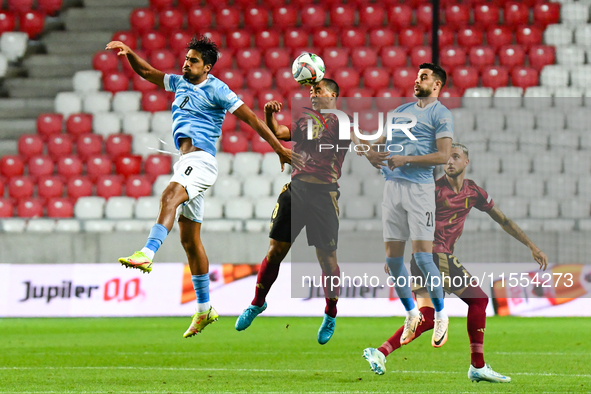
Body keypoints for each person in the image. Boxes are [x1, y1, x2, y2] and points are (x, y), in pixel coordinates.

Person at [107, 36, 297, 338]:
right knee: (189, 240)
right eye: (186, 58)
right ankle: (204, 308)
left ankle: (147, 252)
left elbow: (251, 119)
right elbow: (147, 73)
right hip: (185, 161)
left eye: (193, 60)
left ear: (207, 67)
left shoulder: (218, 89)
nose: (186, 63)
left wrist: (277, 148)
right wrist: (130, 53)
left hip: (201, 162)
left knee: (170, 194)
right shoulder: (179, 83)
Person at [363, 143, 549, 382]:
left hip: (424, 261)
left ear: (466, 162)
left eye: (456, 157)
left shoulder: (474, 192)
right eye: (447, 158)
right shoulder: (432, 191)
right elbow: (404, 215)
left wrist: (532, 245)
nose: (449, 161)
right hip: (434, 256)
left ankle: (380, 352)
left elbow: (504, 220)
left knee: (428, 317)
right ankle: (478, 366)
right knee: (480, 300)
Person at [234, 79, 362, 344]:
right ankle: (258, 303)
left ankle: (330, 313)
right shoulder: (305, 120)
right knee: (275, 252)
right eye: (311, 91)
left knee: (327, 262)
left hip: (324, 196)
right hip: (296, 191)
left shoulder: (344, 121)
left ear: (334, 94)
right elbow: (280, 132)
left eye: (319, 90)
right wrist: (269, 115)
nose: (313, 94)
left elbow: (356, 138)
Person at [364, 63, 454, 349]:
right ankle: (412, 314)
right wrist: (371, 153)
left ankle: (441, 315)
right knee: (392, 262)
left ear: (437, 85)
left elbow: (443, 156)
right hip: (393, 189)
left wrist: (406, 160)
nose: (417, 81)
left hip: (419, 190)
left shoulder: (440, 114)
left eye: (424, 77)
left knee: (424, 258)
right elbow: (377, 143)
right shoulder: (400, 112)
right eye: (417, 76)